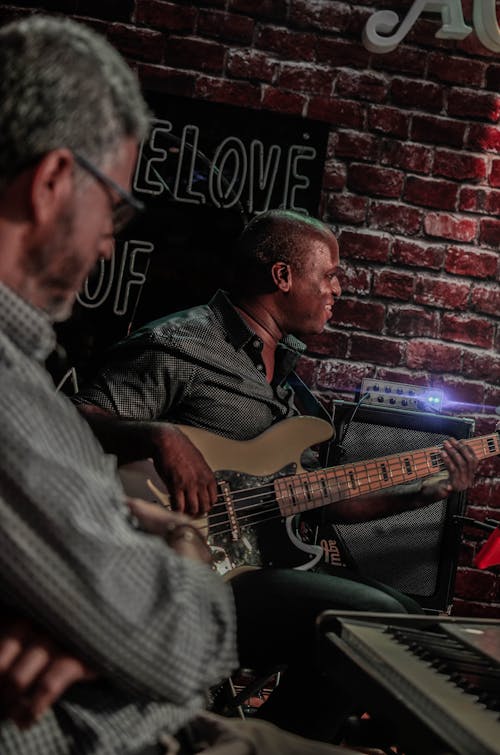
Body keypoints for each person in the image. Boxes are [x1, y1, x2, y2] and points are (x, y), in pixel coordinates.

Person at [0, 15, 358, 755]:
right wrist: (169, 540)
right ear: (54, 183)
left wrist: (91, 625)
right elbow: (180, 653)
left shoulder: (292, 385)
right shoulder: (18, 392)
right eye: (117, 206)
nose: (112, 239)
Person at [74, 209, 479, 739]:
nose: (337, 289)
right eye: (328, 274)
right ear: (282, 276)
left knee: (408, 623)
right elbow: (73, 415)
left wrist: (426, 492)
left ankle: (270, 739)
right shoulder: (184, 343)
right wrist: (161, 435)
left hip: (255, 564)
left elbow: (320, 500)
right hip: (184, 570)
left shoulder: (291, 389)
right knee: (363, 620)